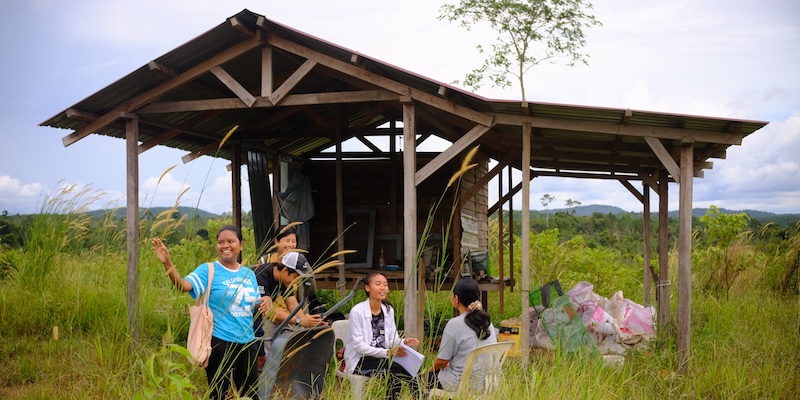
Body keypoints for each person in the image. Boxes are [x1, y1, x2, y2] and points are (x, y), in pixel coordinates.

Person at [152, 225, 267, 400]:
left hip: (248, 344)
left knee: (250, 396)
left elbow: (256, 304)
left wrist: (267, 301)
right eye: (221, 242)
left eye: (230, 241)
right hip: (220, 343)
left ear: (241, 245)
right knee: (219, 395)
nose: (225, 245)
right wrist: (167, 262)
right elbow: (183, 286)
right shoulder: (208, 269)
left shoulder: (249, 274)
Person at [344, 271, 420, 400]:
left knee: (411, 367)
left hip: (381, 358)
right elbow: (359, 346)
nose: (383, 288)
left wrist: (403, 342)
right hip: (361, 360)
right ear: (367, 288)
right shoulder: (357, 311)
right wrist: (387, 353)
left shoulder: (388, 310)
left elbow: (391, 339)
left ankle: (419, 396)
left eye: (385, 284)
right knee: (394, 370)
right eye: (378, 284)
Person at [422, 277, 496, 393]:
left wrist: (428, 370)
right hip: (486, 383)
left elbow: (441, 362)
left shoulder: (454, 324)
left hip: (461, 383)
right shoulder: (488, 322)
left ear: (456, 299)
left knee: (418, 380)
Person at [253, 243, 324, 359]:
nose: (296, 282)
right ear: (286, 270)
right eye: (296, 277)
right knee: (268, 326)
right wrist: (299, 320)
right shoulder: (261, 275)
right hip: (247, 319)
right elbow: (268, 311)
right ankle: (266, 367)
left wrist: (308, 322)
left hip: (258, 317)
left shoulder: (285, 280)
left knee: (298, 329)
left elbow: (292, 303)